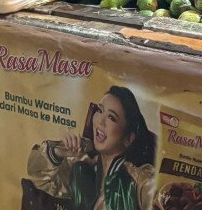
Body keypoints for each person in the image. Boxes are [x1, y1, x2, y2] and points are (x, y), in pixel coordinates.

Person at [28, 86, 156, 210]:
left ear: (128, 139)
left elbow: (159, 198)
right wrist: (57, 152)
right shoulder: (82, 169)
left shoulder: (139, 179)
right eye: (99, 110)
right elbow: (40, 181)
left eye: (111, 117)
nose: (101, 121)